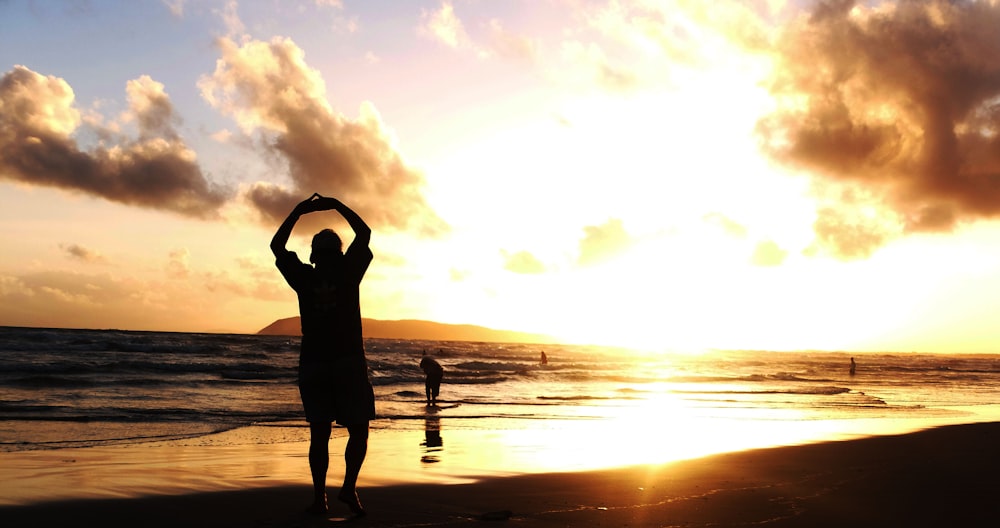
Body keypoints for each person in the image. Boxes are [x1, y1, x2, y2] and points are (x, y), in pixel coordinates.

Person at [270, 193, 374, 516]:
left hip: (314, 364)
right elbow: (365, 233)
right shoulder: (348, 272)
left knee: (320, 433)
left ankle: (320, 499)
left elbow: (276, 247)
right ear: (340, 254)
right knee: (358, 429)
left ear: (313, 256)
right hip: (347, 363)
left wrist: (300, 211)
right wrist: (337, 205)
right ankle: (348, 488)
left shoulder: (305, 276)